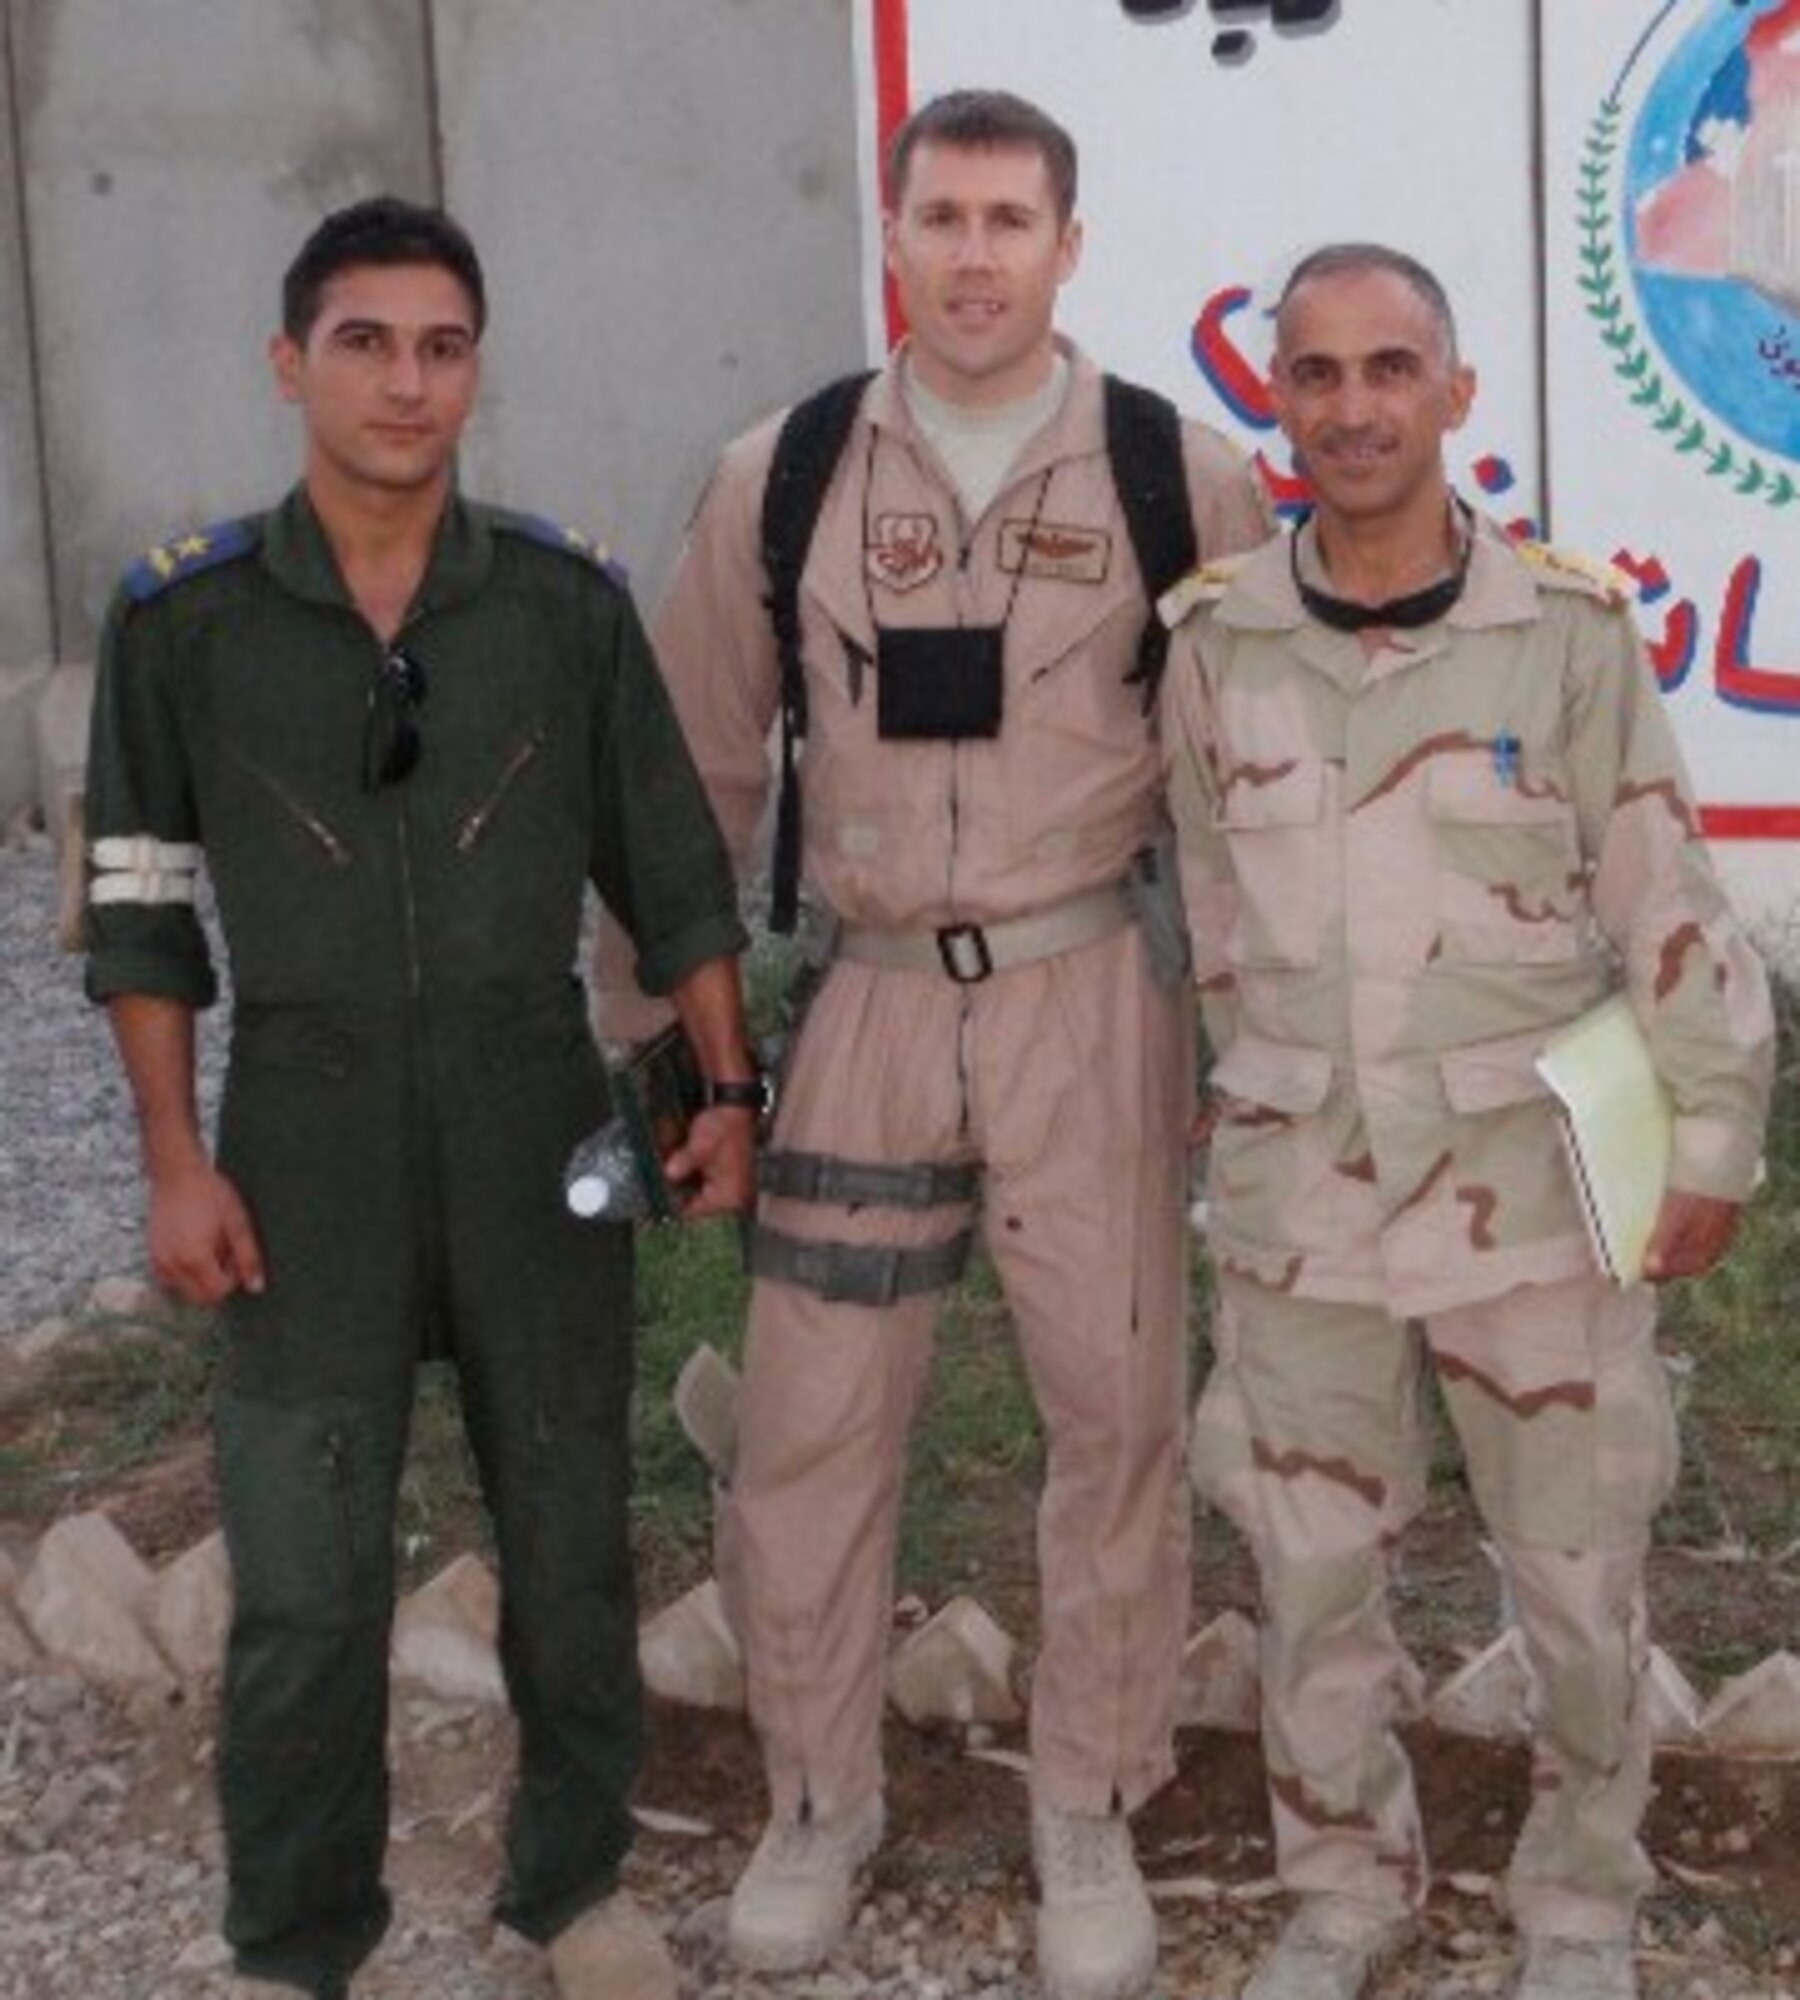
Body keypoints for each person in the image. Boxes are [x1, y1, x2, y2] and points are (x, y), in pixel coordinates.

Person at [603, 88, 1273, 2000]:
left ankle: (1089, 1807)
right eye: (942, 217)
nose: (974, 254)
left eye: (1011, 219)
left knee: (1115, 1422)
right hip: (873, 1010)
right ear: (890, 238)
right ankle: (819, 1800)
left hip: (1092, 1006)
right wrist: (679, 1061)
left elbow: (1235, 782)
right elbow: (689, 779)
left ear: (1072, 244)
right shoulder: (789, 472)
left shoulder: (1174, 472)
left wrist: (1243, 1037)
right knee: (811, 1425)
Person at [82, 195, 758, 2000]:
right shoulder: (187, 620)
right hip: (302, 1136)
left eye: (442, 345)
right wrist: (172, 1164)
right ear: (291, 362)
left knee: (567, 1539)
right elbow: (139, 916)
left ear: (477, 370)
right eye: (366, 342)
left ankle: (577, 1892)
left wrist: (729, 1087)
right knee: (303, 1583)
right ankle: (300, 1941)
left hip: (535, 1116)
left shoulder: (555, 603)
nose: (406, 380)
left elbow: (674, 868)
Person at [1159, 243, 1774, 2000]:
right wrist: (1244, 1091)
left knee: (1579, 1583)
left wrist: (1714, 1142)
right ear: (1278, 400)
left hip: (1530, 1202)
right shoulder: (1215, 647)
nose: (1353, 407)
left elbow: (1665, 893)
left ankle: (1581, 1896)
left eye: (1389, 368)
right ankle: (1344, 1885)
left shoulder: (1565, 639)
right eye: (1318, 373)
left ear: (1454, 395)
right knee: (1313, 1574)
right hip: (1307, 1212)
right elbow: (1209, 908)